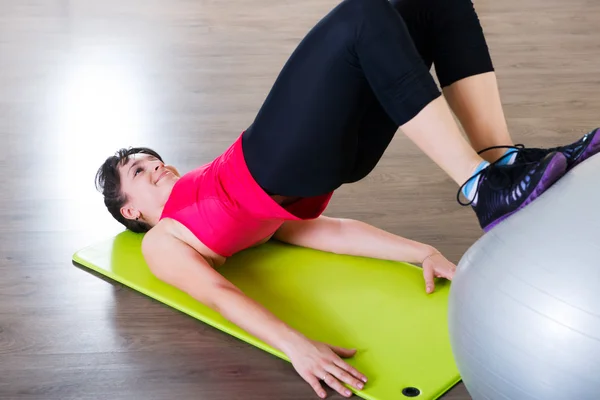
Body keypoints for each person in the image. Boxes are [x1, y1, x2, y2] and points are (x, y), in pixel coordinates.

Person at [95, 0, 599, 397]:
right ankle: (480, 186)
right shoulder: (162, 241)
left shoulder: (232, 212)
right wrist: (296, 347)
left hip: (323, 164)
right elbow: (219, 295)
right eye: (139, 170)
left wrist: (418, 251)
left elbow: (328, 231)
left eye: (153, 158)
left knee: (434, 4)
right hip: (278, 159)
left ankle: (503, 164)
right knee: (362, 12)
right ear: (130, 211)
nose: (155, 164)